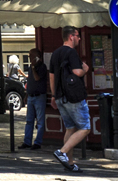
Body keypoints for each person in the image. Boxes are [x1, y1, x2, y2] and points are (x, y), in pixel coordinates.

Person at [49, 26, 91, 172]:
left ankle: (70, 163)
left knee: (70, 128)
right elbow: (77, 72)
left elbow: (52, 76)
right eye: (78, 36)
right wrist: (85, 69)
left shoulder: (55, 53)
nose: (79, 38)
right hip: (73, 97)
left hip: (60, 97)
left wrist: (54, 95)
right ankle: (62, 152)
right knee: (85, 128)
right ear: (71, 36)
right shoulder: (71, 52)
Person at [19, 48, 50, 150]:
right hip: (31, 96)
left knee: (40, 121)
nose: (29, 58)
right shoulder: (30, 69)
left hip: (39, 96)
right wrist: (26, 95)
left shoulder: (42, 67)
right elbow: (30, 81)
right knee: (29, 120)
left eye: (31, 56)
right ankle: (27, 141)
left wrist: (33, 67)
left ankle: (38, 142)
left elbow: (37, 78)